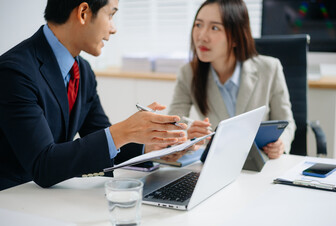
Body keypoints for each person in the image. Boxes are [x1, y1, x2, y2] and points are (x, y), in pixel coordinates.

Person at [0, 0, 187, 191]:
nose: (113, 29)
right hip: (13, 198)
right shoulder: (15, 71)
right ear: (83, 12)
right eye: (111, 15)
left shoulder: (83, 71)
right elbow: (43, 164)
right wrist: (124, 131)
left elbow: (100, 136)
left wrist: (152, 146)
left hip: (53, 197)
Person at [168, 0, 296, 159]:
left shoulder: (269, 68)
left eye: (214, 28)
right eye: (198, 25)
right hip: (218, 161)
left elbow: (287, 123)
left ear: (236, 37)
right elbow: (173, 128)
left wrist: (281, 144)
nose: (201, 36)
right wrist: (188, 135)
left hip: (260, 161)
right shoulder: (188, 73)